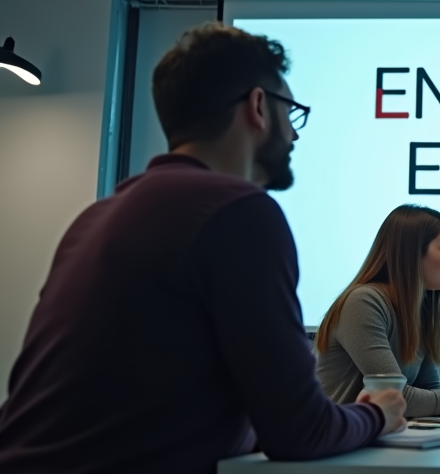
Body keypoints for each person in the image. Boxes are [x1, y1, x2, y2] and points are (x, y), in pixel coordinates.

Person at [0, 23, 406, 474]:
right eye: (290, 113)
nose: (293, 135)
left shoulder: (98, 216)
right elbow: (300, 431)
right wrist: (378, 415)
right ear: (258, 107)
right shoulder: (240, 211)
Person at [315, 204, 440, 418]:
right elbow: (395, 397)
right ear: (412, 254)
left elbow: (430, 392)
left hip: (375, 438)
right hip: (337, 444)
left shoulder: (418, 311)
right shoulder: (363, 302)